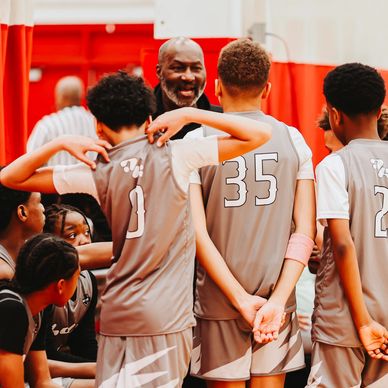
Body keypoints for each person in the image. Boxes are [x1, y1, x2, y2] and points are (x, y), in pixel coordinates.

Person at [0, 70, 271, 387]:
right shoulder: (177, 154)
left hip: (117, 313)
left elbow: (10, 178)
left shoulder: (95, 169)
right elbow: (259, 134)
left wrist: (58, 143)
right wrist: (188, 113)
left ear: (98, 126)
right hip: (164, 316)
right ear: (150, 119)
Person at [187, 38, 316, 387]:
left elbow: (197, 234)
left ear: (216, 87)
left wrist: (239, 299)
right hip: (277, 300)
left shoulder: (195, 143)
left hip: (218, 301)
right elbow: (304, 233)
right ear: (267, 89)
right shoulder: (293, 139)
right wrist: (276, 301)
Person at [307, 62, 388, 387]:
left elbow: (342, 243)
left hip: (346, 321)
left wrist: (363, 321)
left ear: (335, 114)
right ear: (380, 108)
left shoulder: (334, 165)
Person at [0, 233, 81, 388]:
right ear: (61, 285)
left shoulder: (38, 309)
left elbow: (42, 382)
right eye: (77, 276)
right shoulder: (11, 308)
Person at [43, 204, 98, 379]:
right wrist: (99, 369)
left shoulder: (88, 281)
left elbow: (85, 342)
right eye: (72, 235)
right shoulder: (40, 285)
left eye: (87, 232)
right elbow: (47, 354)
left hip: (65, 369)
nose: (85, 241)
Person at [154, 37, 221, 139]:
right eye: (178, 68)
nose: (188, 77)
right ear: (159, 72)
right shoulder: (139, 122)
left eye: (196, 68)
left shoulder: (222, 120)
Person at [27, 76, 97, 166]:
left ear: (61, 97)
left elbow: (29, 160)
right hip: (93, 179)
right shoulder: (96, 122)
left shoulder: (47, 124)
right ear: (81, 95)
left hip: (52, 179)